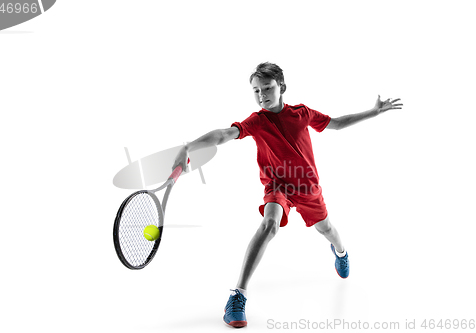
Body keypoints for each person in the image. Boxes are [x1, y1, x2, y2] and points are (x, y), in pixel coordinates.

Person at [172, 62, 402, 328]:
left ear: (282, 87)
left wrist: (374, 112)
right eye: (256, 91)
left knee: (327, 229)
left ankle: (341, 252)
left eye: (267, 88)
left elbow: (336, 124)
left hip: (307, 188)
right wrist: (188, 146)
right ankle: (238, 296)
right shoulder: (257, 121)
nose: (262, 95)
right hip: (277, 187)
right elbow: (224, 134)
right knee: (269, 224)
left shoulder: (302, 114)